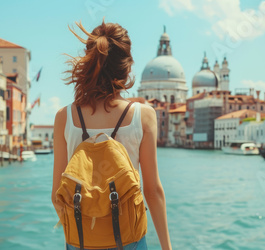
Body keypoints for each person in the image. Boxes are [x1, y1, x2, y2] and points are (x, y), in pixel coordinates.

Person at [51, 20, 172, 250]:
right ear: (127, 67)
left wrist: (87, 232)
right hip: (129, 241)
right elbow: (153, 192)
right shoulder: (143, 116)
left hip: (80, 242)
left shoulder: (63, 117)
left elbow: (57, 195)